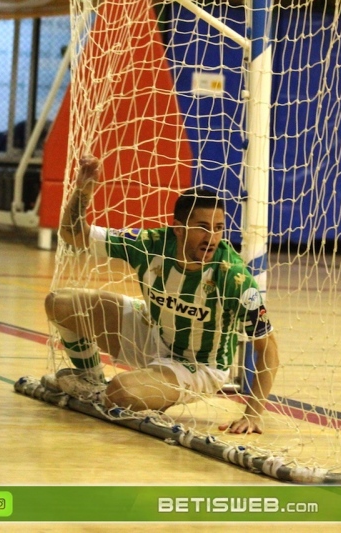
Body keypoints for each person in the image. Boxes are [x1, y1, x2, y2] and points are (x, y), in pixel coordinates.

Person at [42, 155, 279, 434]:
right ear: (178, 228)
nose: (212, 238)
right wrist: (83, 191)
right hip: (154, 332)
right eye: (202, 227)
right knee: (60, 303)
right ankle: (91, 380)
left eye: (218, 229)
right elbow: (73, 235)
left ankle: (129, 391)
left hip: (198, 366)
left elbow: (270, 350)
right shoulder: (150, 244)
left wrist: (253, 414)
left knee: (122, 392)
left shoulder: (234, 278)